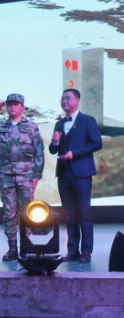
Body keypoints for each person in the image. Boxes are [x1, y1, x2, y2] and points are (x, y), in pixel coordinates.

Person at [0, 94, 44, 261]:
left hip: (26, 175)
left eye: (16, 104)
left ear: (22, 107)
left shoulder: (31, 127)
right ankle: (12, 247)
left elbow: (39, 153)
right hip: (6, 175)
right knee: (9, 213)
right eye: (9, 104)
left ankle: (26, 245)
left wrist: (36, 177)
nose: (12, 107)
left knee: (27, 211)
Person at [49, 89, 102, 264]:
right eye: (62, 98)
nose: (64, 101)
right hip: (64, 174)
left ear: (77, 100)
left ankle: (86, 252)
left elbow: (97, 143)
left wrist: (75, 153)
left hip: (82, 174)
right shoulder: (59, 123)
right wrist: (55, 141)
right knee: (69, 215)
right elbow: (53, 150)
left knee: (84, 214)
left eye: (68, 98)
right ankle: (72, 251)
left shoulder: (87, 120)